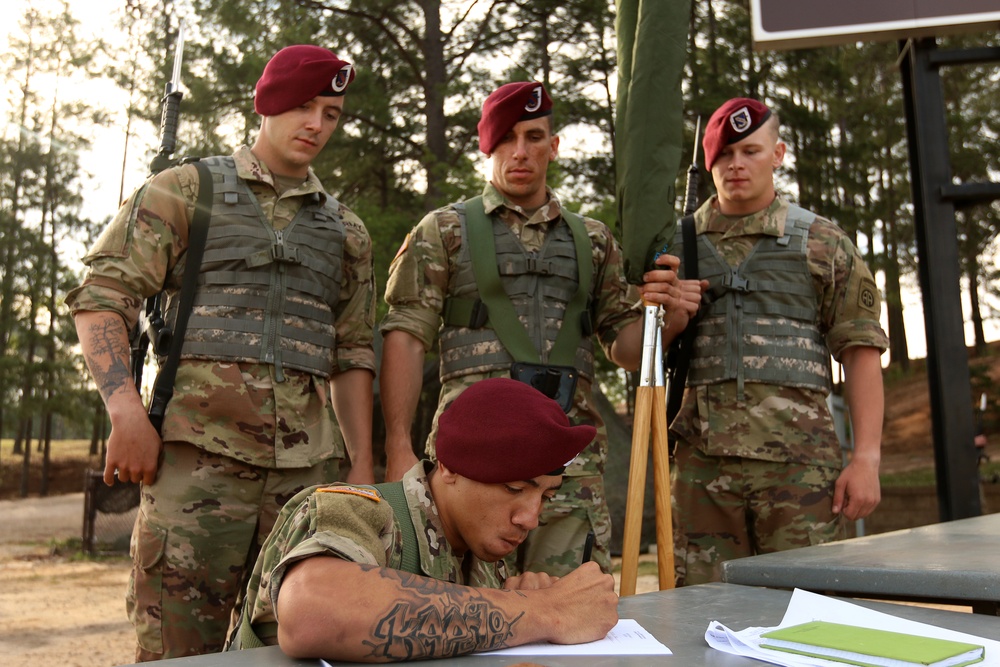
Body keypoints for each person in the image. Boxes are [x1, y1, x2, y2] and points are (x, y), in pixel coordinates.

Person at [65, 45, 377, 660]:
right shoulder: (186, 190)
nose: (316, 124)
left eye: (332, 113)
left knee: (294, 652)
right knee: (179, 654)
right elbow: (103, 297)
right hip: (195, 469)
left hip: (305, 481)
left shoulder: (348, 232)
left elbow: (353, 354)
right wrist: (125, 412)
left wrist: (361, 467)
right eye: (304, 106)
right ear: (267, 104)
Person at [378, 81, 687, 577]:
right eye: (506, 138)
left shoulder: (594, 240)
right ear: (488, 145)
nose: (520, 151)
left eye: (535, 136)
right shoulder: (444, 231)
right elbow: (405, 338)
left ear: (555, 145)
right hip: (470, 468)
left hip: (567, 473)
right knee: (456, 618)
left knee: (571, 622)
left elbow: (626, 350)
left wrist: (666, 318)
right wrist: (399, 448)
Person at [226, 377, 619, 662]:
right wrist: (544, 611)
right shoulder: (359, 511)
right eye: (515, 489)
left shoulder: (480, 557)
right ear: (449, 468)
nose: (530, 518)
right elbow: (312, 612)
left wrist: (520, 600)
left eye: (546, 496)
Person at [662, 97, 889, 586]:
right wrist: (669, 319)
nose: (736, 164)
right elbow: (641, 353)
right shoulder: (675, 247)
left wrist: (866, 458)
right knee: (702, 613)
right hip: (703, 473)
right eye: (724, 154)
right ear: (708, 163)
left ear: (778, 153)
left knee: (809, 612)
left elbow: (861, 351)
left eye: (750, 150)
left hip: (801, 473)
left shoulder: (822, 243)